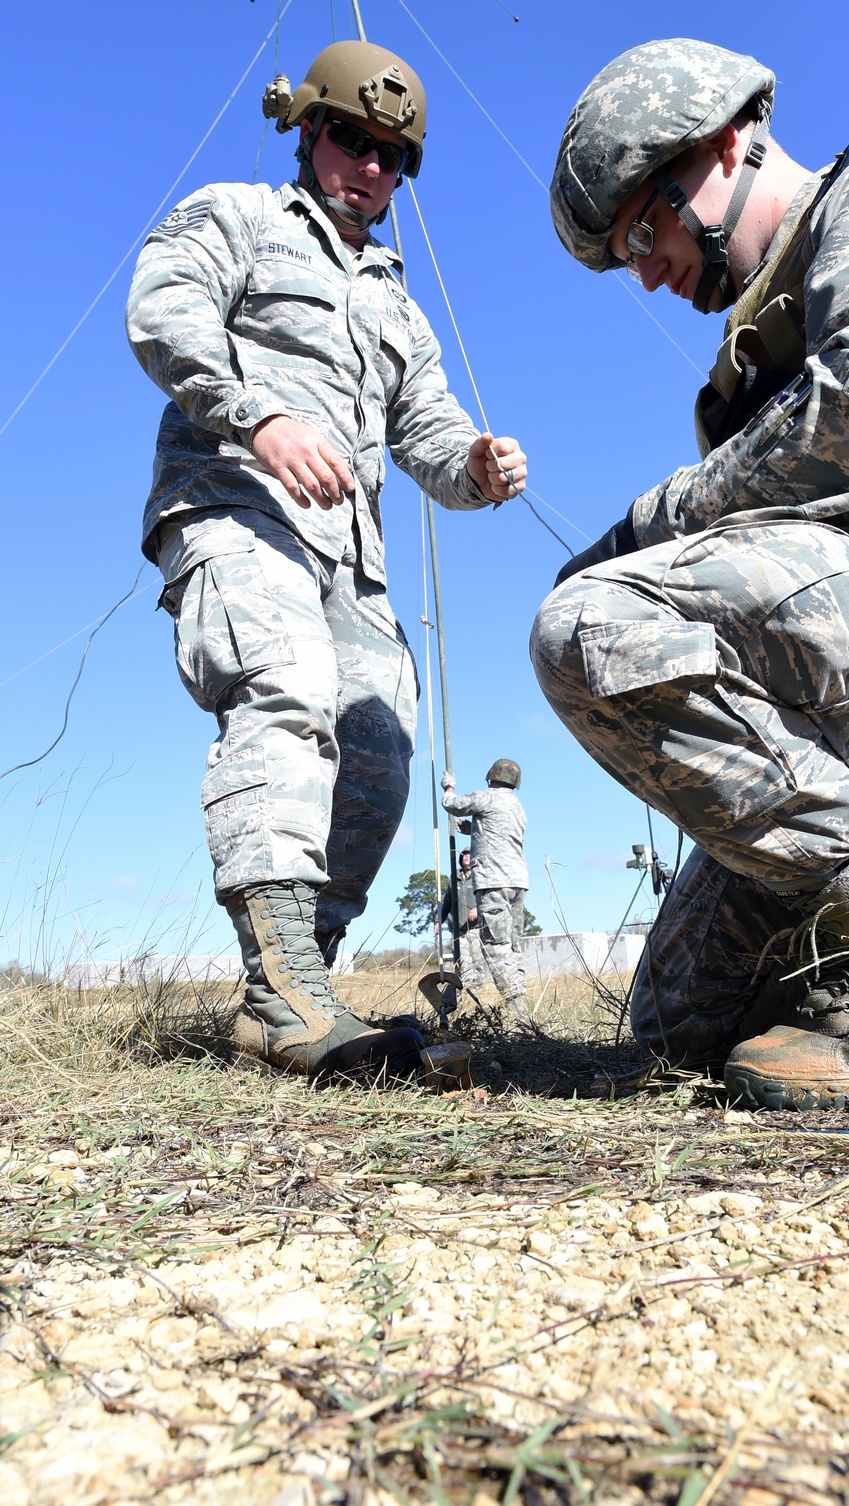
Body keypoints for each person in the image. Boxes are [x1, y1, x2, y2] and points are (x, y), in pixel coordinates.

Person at [532, 37, 849, 1109]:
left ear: (728, 140)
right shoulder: (753, 355)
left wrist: (651, 525)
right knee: (688, 1023)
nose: (646, 268)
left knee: (597, 627)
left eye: (643, 225)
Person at [126, 40, 527, 1083]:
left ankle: (303, 984)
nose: (373, 169)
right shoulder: (237, 218)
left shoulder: (395, 300)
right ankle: (282, 988)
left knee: (382, 748)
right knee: (289, 691)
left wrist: (476, 465)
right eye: (352, 140)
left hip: (351, 557)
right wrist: (259, 415)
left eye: (395, 157)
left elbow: (428, 434)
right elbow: (162, 313)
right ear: (307, 130)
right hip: (232, 507)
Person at [441, 761, 529, 1020]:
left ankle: (515, 1010)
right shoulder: (517, 807)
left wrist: (449, 786)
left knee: (496, 945)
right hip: (518, 881)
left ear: (492, 777)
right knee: (512, 944)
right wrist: (472, 829)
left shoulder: (487, 797)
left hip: (493, 880)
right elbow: (497, 834)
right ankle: (520, 1003)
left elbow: (452, 805)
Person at [439, 849, 488, 989]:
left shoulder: (479, 876)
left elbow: (487, 898)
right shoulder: (454, 878)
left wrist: (478, 908)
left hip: (475, 928)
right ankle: (466, 990)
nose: (467, 857)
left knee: (477, 960)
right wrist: (438, 921)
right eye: (464, 855)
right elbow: (447, 903)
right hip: (458, 930)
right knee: (462, 962)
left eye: (469, 854)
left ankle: (479, 989)